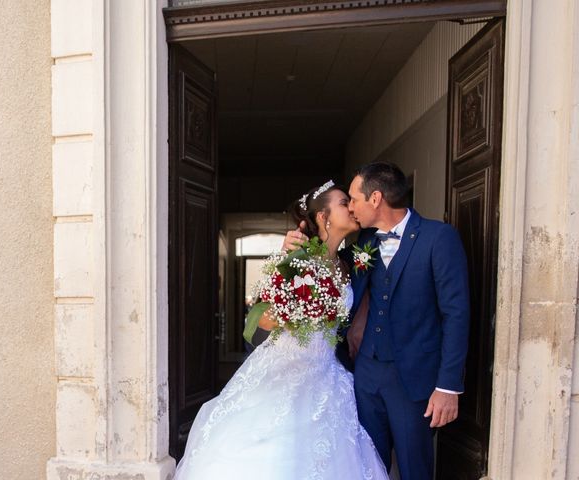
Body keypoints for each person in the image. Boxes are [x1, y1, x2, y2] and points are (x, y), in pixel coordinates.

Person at [174, 182, 389, 480]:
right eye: (344, 203)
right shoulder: (295, 258)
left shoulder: (348, 263)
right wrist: (295, 313)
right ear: (322, 217)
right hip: (285, 366)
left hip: (326, 372)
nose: (352, 207)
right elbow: (262, 317)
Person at [283, 162, 470, 480]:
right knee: (368, 468)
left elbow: (456, 313)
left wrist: (448, 386)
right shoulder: (364, 243)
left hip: (412, 381)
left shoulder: (439, 238)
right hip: (364, 378)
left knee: (415, 468)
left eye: (353, 198)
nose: (351, 207)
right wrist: (296, 252)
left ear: (375, 199)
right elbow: (329, 269)